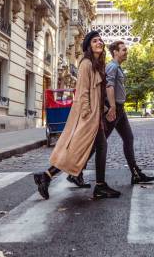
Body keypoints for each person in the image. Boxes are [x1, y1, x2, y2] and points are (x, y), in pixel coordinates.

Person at [33, 31, 120, 200]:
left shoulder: (96, 64)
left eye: (100, 41)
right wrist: (88, 115)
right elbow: (82, 92)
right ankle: (97, 185)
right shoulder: (86, 63)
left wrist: (103, 110)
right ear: (88, 46)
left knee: (92, 148)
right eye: (95, 41)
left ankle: (47, 176)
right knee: (80, 149)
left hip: (95, 115)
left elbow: (97, 94)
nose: (99, 43)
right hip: (87, 116)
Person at [69, 40, 154, 186]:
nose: (126, 52)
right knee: (99, 144)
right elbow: (108, 86)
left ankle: (135, 173)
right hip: (113, 109)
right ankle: (76, 172)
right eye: (124, 50)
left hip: (119, 109)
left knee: (128, 138)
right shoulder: (112, 67)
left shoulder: (117, 68)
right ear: (115, 52)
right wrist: (112, 108)